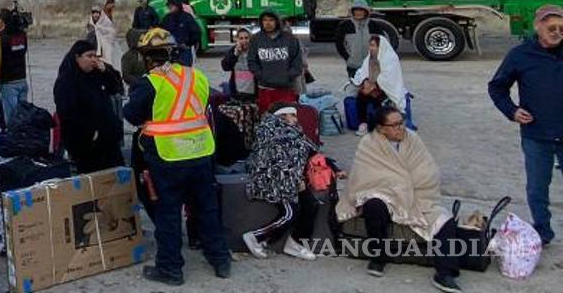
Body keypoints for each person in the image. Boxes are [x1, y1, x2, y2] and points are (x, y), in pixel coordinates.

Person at [122, 28, 231, 286]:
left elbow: (132, 115)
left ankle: (170, 269)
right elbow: (200, 107)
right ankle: (220, 260)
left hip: (168, 157)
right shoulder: (197, 76)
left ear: (147, 58)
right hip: (201, 152)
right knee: (206, 208)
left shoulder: (150, 83)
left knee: (167, 214)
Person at [336, 106, 463, 292]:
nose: (400, 128)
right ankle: (378, 257)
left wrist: (405, 184)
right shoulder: (368, 144)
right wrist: (397, 185)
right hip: (384, 194)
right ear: (381, 128)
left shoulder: (413, 139)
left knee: (445, 221)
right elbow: (363, 177)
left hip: (416, 196)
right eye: (394, 125)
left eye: (401, 123)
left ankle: (445, 273)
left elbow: (428, 172)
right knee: (373, 205)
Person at [488, 3, 563, 246]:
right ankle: (543, 231)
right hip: (536, 135)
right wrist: (512, 110)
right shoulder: (520, 55)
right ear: (538, 27)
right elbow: (497, 87)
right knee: (537, 189)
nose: (557, 32)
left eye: (562, 28)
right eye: (551, 27)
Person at [242, 104, 326, 261]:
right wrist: (296, 179)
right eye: (292, 115)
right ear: (282, 116)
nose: (295, 119)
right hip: (274, 181)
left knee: (311, 205)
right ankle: (256, 237)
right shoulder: (272, 132)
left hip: (292, 178)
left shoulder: (294, 132)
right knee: (289, 213)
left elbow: (310, 150)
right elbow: (278, 162)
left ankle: (295, 243)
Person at [54, 39, 125, 173]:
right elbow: (67, 114)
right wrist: (91, 133)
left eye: (95, 56)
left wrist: (106, 70)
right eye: (89, 56)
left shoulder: (96, 73)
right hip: (87, 143)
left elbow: (116, 87)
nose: (93, 60)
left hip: (108, 138)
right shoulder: (66, 81)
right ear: (77, 57)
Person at [351, 35, 408, 135]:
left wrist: (373, 86)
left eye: (373, 46)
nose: (371, 48)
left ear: (380, 47)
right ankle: (363, 124)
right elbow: (363, 72)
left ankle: (380, 125)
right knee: (361, 96)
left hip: (386, 90)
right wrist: (365, 82)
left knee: (378, 100)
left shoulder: (390, 58)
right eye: (370, 45)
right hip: (371, 87)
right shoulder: (370, 58)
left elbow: (389, 79)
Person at [247, 10, 303, 112]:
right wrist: (261, 75)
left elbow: (297, 61)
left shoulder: (289, 38)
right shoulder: (256, 39)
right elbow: (252, 61)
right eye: (265, 20)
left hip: (285, 88)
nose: (268, 23)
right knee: (266, 117)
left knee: (286, 118)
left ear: (277, 21)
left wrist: (288, 76)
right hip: (265, 89)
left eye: (271, 20)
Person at [335, 0, 395, 80]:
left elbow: (382, 43)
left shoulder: (373, 25)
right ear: (352, 11)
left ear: (366, 12)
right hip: (353, 66)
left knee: (370, 89)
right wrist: (348, 58)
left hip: (371, 66)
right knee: (355, 88)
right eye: (356, 10)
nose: (358, 12)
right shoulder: (345, 25)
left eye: (361, 10)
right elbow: (339, 44)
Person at [160, 0, 200, 67]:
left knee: (185, 72)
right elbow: (161, 31)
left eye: (171, 6)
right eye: (168, 6)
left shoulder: (187, 17)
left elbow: (196, 32)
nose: (169, 8)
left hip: (185, 51)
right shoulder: (167, 18)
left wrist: (188, 44)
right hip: (170, 51)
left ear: (177, 6)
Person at [220, 28, 255, 101]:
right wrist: (235, 55)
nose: (244, 41)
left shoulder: (255, 51)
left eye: (246, 38)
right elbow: (225, 67)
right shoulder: (233, 50)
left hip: (253, 93)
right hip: (237, 92)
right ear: (237, 40)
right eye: (241, 38)